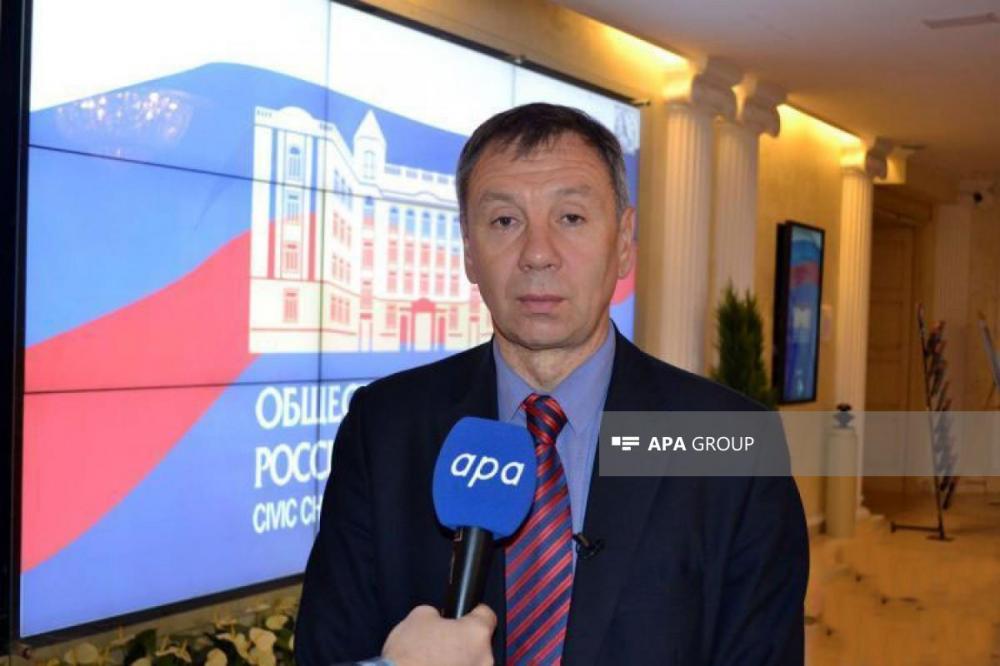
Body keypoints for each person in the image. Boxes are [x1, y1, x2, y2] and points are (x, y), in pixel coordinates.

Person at [296, 103, 809, 665]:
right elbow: (327, 649)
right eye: (504, 221)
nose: (538, 255)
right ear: (468, 251)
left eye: (571, 217)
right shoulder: (385, 428)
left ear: (623, 241)